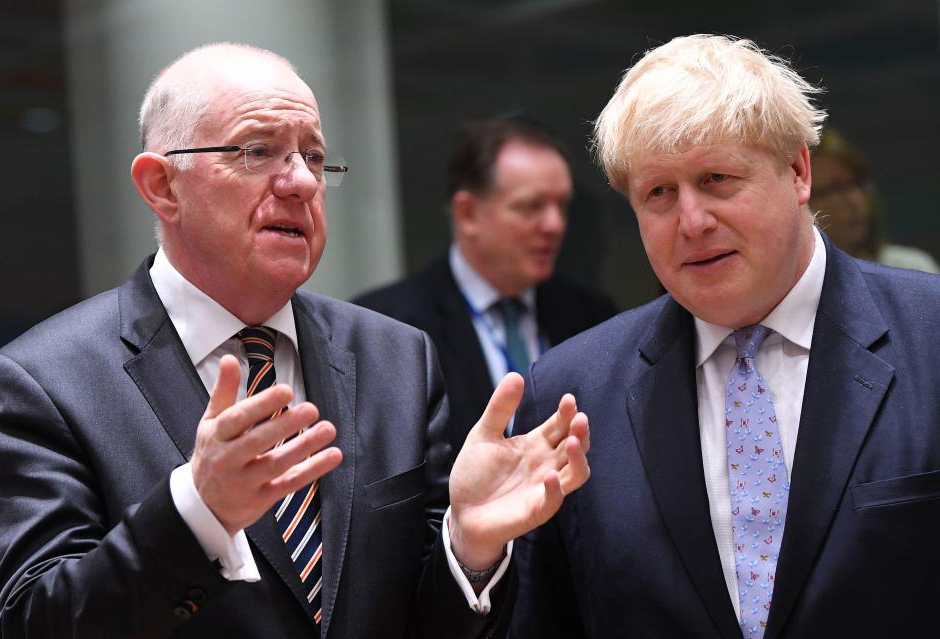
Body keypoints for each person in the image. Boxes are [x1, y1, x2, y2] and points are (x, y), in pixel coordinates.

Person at [0, 43, 591, 638]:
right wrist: (198, 512)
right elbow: (37, 621)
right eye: (256, 151)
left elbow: (418, 617)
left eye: (315, 157)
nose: (300, 182)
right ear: (162, 187)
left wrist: (470, 547)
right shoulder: (43, 381)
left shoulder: (395, 357)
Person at [510, 34, 940, 639]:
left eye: (716, 179)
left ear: (798, 170)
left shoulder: (931, 337)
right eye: (658, 193)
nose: (692, 222)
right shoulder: (570, 393)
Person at [353, 117, 616, 454]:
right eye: (531, 206)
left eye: (561, 205)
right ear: (467, 214)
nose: (555, 225)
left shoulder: (591, 315)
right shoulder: (388, 327)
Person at [810, 127, 939, 273]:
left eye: (857, 184)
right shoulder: (795, 286)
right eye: (834, 189)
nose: (855, 200)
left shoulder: (911, 269)